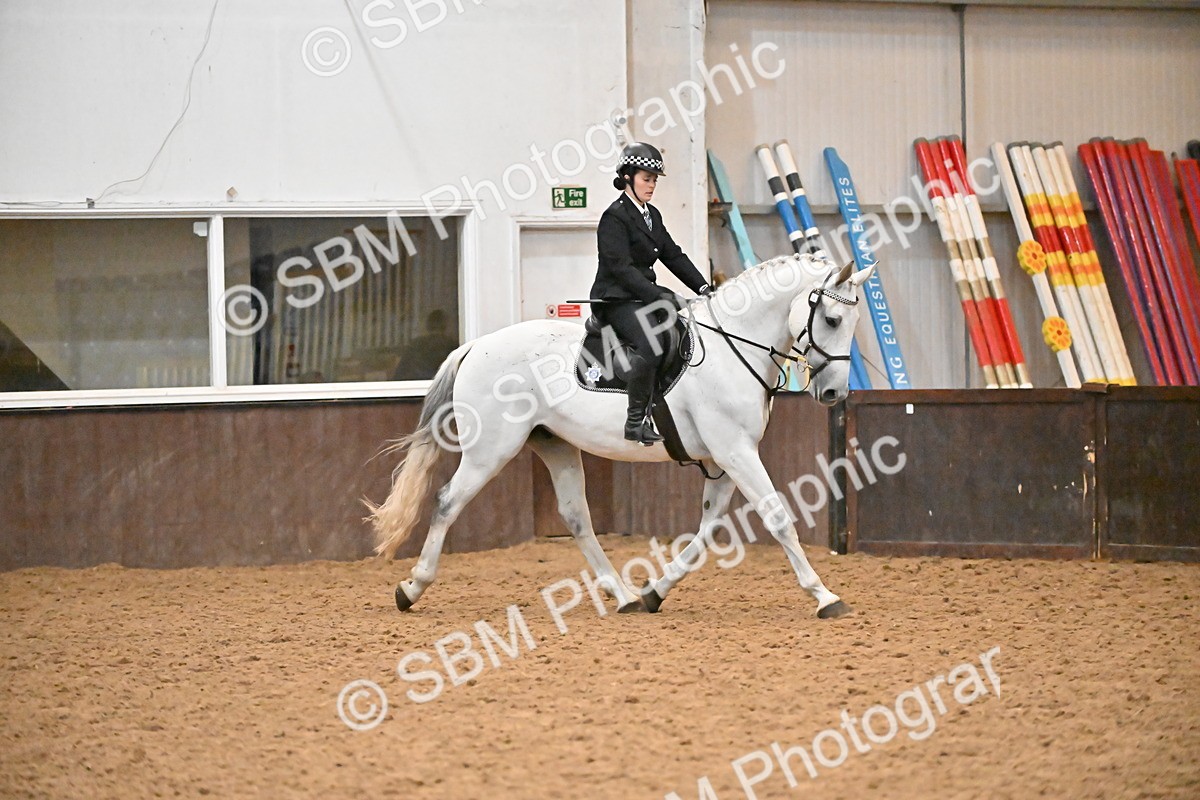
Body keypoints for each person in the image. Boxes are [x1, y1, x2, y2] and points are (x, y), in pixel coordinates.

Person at [589, 142, 711, 445]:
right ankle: (634, 422)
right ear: (628, 177)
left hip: (642, 296)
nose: (652, 185)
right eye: (647, 178)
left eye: (655, 180)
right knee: (652, 341)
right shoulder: (614, 217)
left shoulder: (651, 215)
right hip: (616, 299)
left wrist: (704, 287)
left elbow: (674, 255)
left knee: (683, 331)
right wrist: (659, 295)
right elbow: (622, 269)